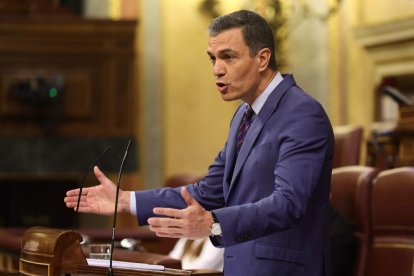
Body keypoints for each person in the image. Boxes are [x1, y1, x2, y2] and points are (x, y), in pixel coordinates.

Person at [65, 10, 334, 276]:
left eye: (228, 57)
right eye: (213, 59)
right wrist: (125, 201)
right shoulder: (244, 114)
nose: (217, 70)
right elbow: (207, 191)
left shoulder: (301, 113)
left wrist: (212, 224)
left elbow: (288, 203)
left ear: (262, 58)